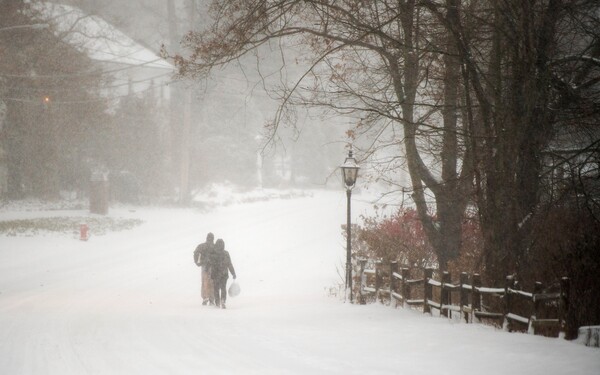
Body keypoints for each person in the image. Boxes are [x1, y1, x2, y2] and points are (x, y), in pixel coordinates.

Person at [210, 238, 236, 309]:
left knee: (216, 288)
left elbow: (210, 264)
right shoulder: (226, 253)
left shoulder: (213, 253)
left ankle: (217, 302)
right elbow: (229, 264)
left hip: (215, 274)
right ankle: (223, 301)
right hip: (224, 274)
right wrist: (233, 273)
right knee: (223, 288)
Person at [193, 232, 215, 306]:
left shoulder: (202, 246)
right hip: (213, 267)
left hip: (204, 266)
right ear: (213, 238)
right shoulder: (215, 247)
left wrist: (198, 262)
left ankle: (205, 297)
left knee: (205, 282)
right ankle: (212, 299)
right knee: (212, 283)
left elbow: (195, 252)